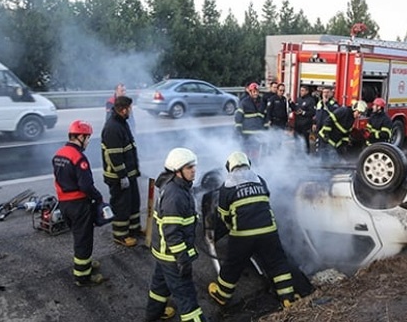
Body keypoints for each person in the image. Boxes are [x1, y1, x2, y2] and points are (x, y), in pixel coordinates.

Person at [208, 151, 298, 309]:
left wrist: (232, 229)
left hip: (243, 235)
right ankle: (288, 298)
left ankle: (222, 295)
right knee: (277, 262)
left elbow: (223, 215)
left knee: (233, 265)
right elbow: (266, 201)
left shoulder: (226, 187)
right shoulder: (260, 180)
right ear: (247, 163)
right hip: (268, 231)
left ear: (230, 167)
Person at [145, 148, 206, 322]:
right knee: (187, 300)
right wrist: (182, 259)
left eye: (193, 166)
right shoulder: (175, 196)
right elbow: (172, 233)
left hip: (163, 253)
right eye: (188, 167)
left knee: (159, 288)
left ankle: (152, 316)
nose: (194, 170)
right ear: (177, 171)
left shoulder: (176, 186)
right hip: (172, 257)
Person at [52, 120, 106, 287]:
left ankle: (86, 264)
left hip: (64, 203)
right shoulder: (79, 157)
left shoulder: (59, 154)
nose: (88, 141)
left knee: (78, 236)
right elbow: (86, 185)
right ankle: (82, 277)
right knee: (83, 240)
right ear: (80, 136)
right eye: (88, 138)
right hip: (78, 204)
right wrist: (98, 197)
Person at [101, 96, 141, 247]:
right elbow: (115, 155)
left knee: (133, 202)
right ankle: (121, 235)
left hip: (129, 174)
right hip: (118, 177)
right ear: (124, 109)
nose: (131, 111)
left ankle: (134, 229)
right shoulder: (113, 128)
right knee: (121, 205)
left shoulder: (122, 122)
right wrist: (122, 176)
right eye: (130, 108)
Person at [234, 82, 270, 160]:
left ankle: (256, 166)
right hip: (247, 133)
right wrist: (239, 131)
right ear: (250, 92)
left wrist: (266, 130)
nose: (255, 93)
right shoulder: (244, 102)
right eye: (253, 91)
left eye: (257, 91)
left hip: (258, 133)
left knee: (256, 152)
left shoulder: (262, 103)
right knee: (246, 152)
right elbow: (238, 117)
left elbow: (265, 117)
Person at [312, 86, 339, 154]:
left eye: (327, 92)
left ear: (331, 93)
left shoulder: (334, 104)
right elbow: (317, 114)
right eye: (324, 92)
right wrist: (314, 123)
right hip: (319, 128)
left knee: (326, 147)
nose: (325, 94)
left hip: (328, 130)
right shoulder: (319, 103)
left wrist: (326, 103)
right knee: (318, 145)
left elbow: (335, 115)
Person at [290, 85, 317, 154]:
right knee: (296, 139)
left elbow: (313, 112)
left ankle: (306, 154)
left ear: (307, 91)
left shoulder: (311, 100)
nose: (301, 92)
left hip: (306, 124)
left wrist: (304, 113)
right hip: (297, 123)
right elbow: (295, 109)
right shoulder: (299, 99)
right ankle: (297, 153)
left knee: (305, 140)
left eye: (302, 90)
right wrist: (291, 103)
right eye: (300, 90)